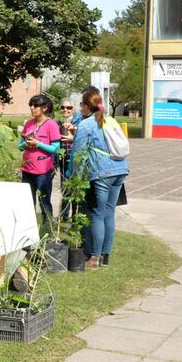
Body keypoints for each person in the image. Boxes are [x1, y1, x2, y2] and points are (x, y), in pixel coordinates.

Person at [71, 89, 130, 269]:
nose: (80, 108)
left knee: (97, 214)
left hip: (102, 172)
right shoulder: (110, 119)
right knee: (109, 213)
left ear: (86, 106)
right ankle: (105, 256)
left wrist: (76, 180)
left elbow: (79, 155)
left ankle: (94, 258)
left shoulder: (86, 125)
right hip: (120, 169)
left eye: (81, 105)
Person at [20, 95, 61, 219]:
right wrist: (24, 145)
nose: (32, 108)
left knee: (44, 202)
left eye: (36, 105)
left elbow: (55, 148)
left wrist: (38, 144)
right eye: (31, 105)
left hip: (43, 171)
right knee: (27, 202)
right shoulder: (28, 124)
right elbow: (19, 146)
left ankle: (48, 228)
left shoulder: (51, 125)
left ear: (45, 108)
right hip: (27, 169)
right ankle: (29, 228)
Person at [57, 97, 77, 219]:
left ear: (73, 109)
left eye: (69, 107)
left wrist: (73, 136)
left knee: (74, 186)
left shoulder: (78, 122)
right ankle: (64, 215)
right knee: (64, 185)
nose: (66, 110)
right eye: (63, 107)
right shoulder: (58, 123)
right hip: (62, 157)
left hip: (74, 157)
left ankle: (75, 215)